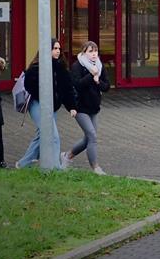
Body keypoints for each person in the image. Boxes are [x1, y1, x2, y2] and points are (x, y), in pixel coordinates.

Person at [16, 39, 77, 169]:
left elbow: (67, 89)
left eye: (59, 49)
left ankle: (23, 164)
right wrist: (43, 98)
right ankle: (56, 168)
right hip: (38, 105)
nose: (57, 51)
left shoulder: (61, 67)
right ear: (46, 50)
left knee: (41, 136)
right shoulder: (36, 67)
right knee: (52, 136)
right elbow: (29, 84)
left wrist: (71, 106)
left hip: (52, 107)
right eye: (54, 48)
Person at [63, 41, 110, 175]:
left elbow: (106, 86)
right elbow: (77, 84)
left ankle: (67, 156)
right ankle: (95, 167)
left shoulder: (99, 66)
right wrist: (91, 76)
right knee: (92, 136)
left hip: (93, 107)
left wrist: (97, 81)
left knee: (88, 139)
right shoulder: (77, 66)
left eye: (95, 51)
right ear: (84, 52)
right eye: (90, 51)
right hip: (79, 107)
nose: (94, 54)